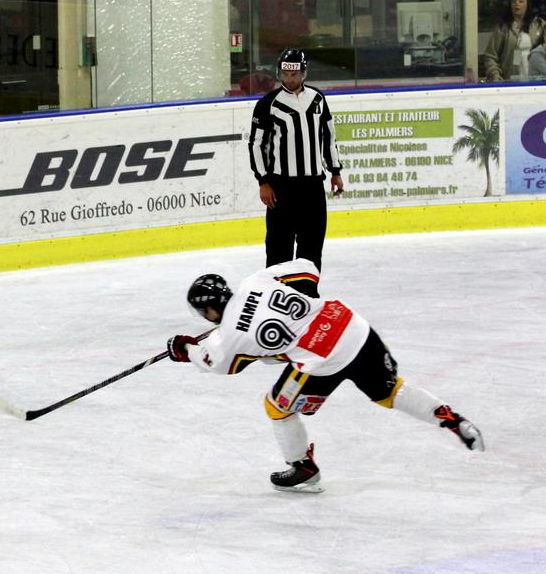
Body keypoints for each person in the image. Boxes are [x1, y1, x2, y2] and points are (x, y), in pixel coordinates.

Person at [165, 258, 483, 493]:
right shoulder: (255, 281)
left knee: (277, 407)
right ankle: (452, 419)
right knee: (389, 392)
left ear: (208, 312)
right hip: (350, 325)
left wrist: (185, 348)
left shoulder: (232, 334)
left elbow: (217, 363)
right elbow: (306, 268)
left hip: (322, 360)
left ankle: (302, 467)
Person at [248, 48, 343, 274]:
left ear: (303, 74)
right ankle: (273, 296)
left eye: (295, 75)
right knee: (278, 248)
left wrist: (335, 171)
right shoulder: (268, 104)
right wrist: (263, 181)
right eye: (285, 74)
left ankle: (307, 297)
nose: (290, 79)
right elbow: (256, 145)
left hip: (313, 188)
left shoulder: (318, 99)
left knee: (311, 248)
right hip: (282, 189)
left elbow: (328, 137)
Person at [482, 0, 546, 82]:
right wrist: (494, 74)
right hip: (511, 79)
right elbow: (490, 56)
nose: (517, 4)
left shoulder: (540, 24)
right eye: (513, 1)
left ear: (527, 4)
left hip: (536, 78)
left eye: (521, 1)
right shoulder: (503, 28)